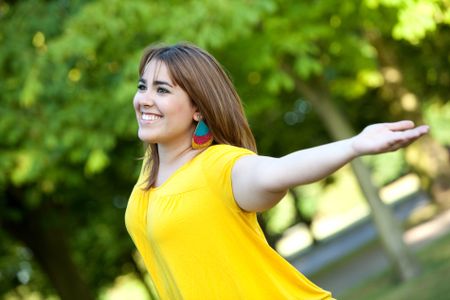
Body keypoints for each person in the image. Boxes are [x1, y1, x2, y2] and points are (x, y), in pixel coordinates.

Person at [125, 42, 429, 300]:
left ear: (199, 110)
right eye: (143, 86)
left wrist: (353, 145)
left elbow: (280, 171)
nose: (144, 100)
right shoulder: (150, 173)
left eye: (162, 90)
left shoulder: (218, 166)